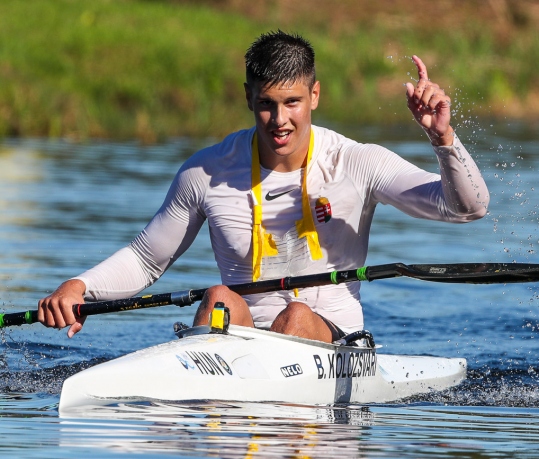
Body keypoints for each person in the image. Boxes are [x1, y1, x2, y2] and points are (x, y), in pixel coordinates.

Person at [38, 31, 489, 342]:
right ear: (248, 98)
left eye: (292, 102)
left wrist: (442, 138)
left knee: (294, 316)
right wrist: (78, 286)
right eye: (266, 105)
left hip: (334, 341)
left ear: (314, 95)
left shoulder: (356, 162)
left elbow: (466, 208)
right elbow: (144, 259)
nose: (280, 120)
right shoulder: (206, 172)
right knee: (217, 296)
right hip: (238, 343)